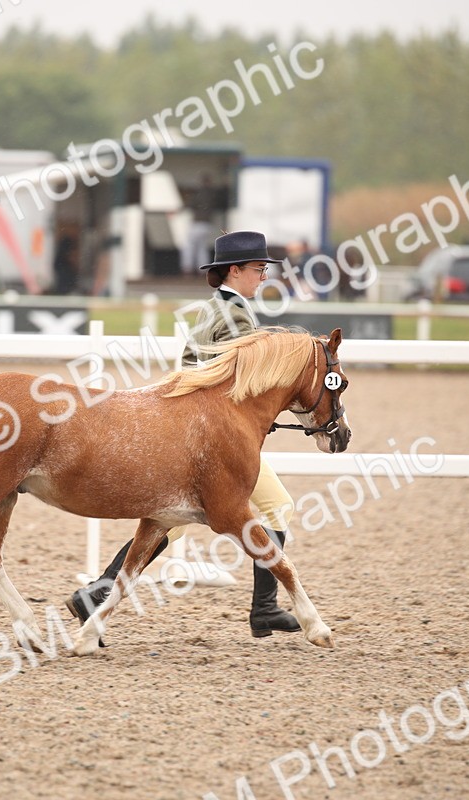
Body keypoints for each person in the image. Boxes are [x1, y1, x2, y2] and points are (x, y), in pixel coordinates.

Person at [66, 230, 302, 639]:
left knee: (166, 523)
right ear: (235, 270)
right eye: (259, 268)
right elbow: (245, 380)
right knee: (277, 507)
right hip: (215, 437)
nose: (264, 276)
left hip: (198, 428)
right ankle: (264, 608)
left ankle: (97, 593)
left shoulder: (216, 307)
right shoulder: (235, 315)